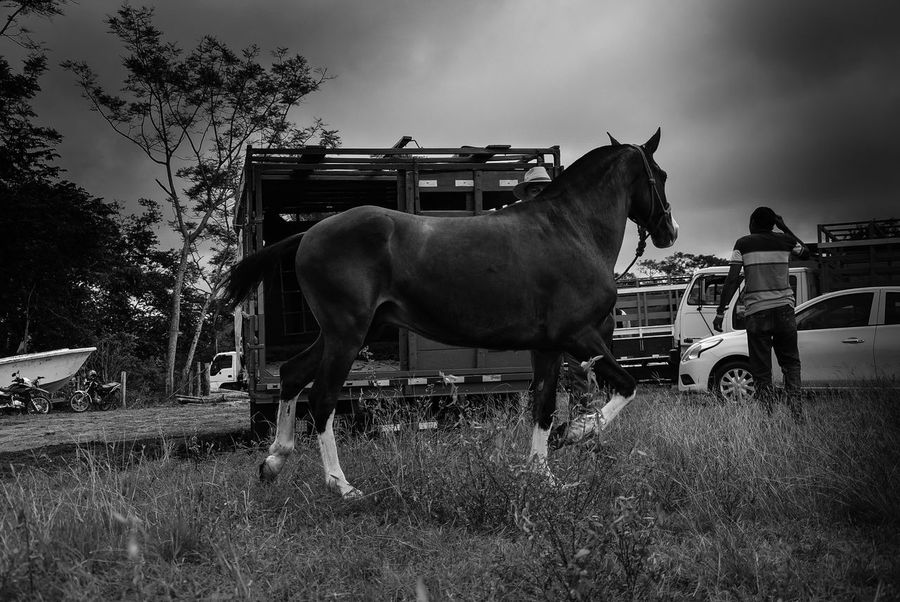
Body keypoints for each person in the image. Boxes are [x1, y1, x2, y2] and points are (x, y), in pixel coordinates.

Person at [714, 206, 809, 421]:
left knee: (761, 369)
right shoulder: (785, 241)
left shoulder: (743, 244)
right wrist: (784, 228)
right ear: (773, 223)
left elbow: (732, 279)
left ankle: (768, 416)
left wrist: (721, 311)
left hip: (757, 313)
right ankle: (797, 414)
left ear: (754, 222)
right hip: (785, 311)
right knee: (791, 363)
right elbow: (807, 252)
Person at [513, 166, 595, 411]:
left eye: (544, 189)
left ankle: (581, 424)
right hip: (540, 320)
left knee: (581, 373)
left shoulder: (569, 223)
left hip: (571, 316)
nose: (539, 194)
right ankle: (541, 430)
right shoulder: (519, 228)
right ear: (527, 195)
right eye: (534, 190)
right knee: (543, 377)